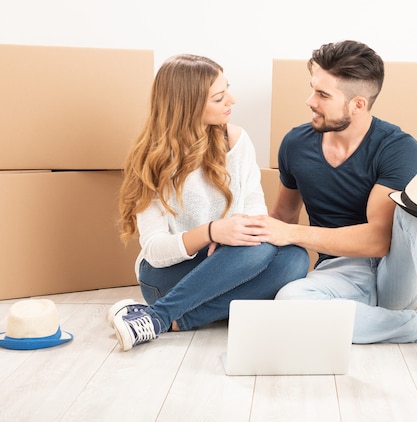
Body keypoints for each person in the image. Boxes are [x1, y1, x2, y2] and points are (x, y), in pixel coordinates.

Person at [254, 40, 417, 385]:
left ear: (357, 104)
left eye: (323, 95)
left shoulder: (397, 147)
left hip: (397, 270)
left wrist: (293, 234)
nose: (310, 102)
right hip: (340, 271)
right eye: (313, 90)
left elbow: (378, 240)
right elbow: (282, 218)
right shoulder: (296, 144)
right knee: (290, 302)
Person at [108, 54, 310, 351]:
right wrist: (213, 232)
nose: (232, 100)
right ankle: (163, 310)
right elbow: (154, 251)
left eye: (227, 89)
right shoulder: (152, 160)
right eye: (219, 97)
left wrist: (232, 242)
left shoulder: (237, 141)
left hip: (231, 264)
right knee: (262, 247)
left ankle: (164, 319)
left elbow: (255, 212)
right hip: (166, 278)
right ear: (187, 105)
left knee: (295, 258)